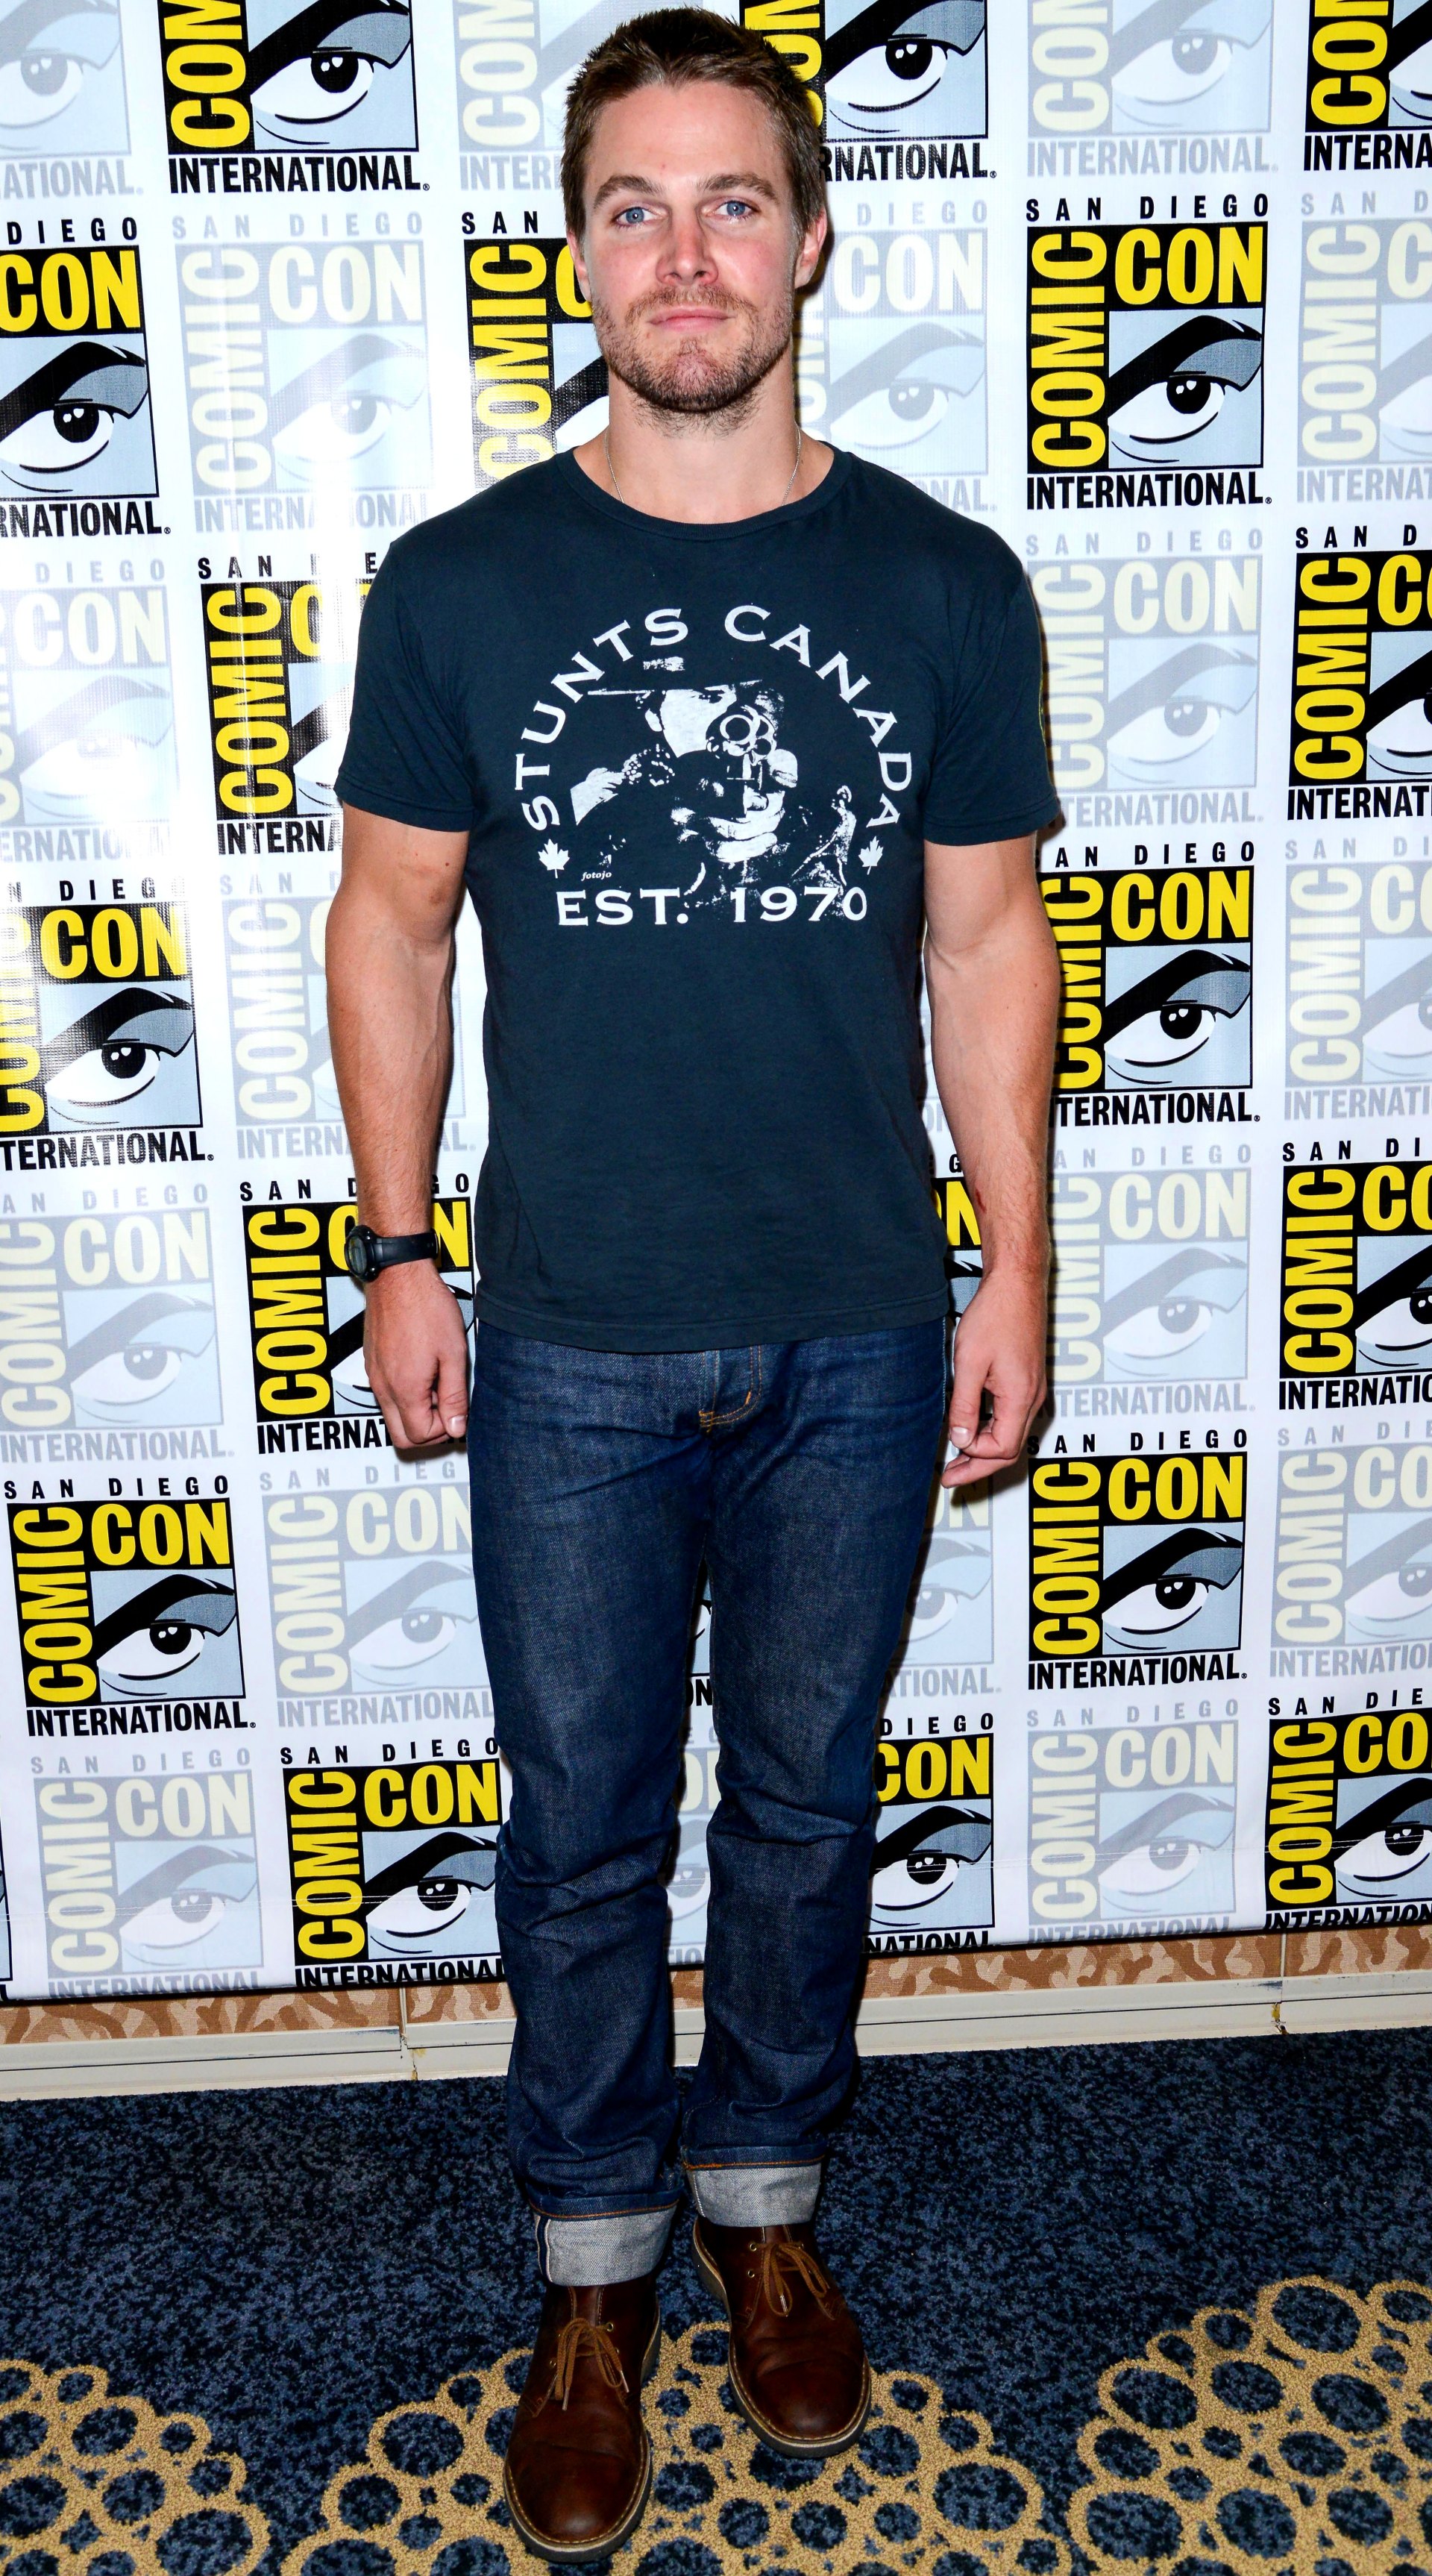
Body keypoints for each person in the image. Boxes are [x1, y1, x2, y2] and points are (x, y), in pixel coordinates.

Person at [327, 10, 1060, 2558]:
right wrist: (398, 1250)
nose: (685, 254)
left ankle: (764, 2206)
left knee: (811, 1808)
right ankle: (589, 2272)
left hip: (862, 1319)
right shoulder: (468, 584)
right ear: (578, 252)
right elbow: (389, 928)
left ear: (814, 236)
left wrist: (1017, 1270)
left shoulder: (942, 582)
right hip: (568, 1333)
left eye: (732, 199)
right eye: (632, 206)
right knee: (578, 1836)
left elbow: (987, 944)